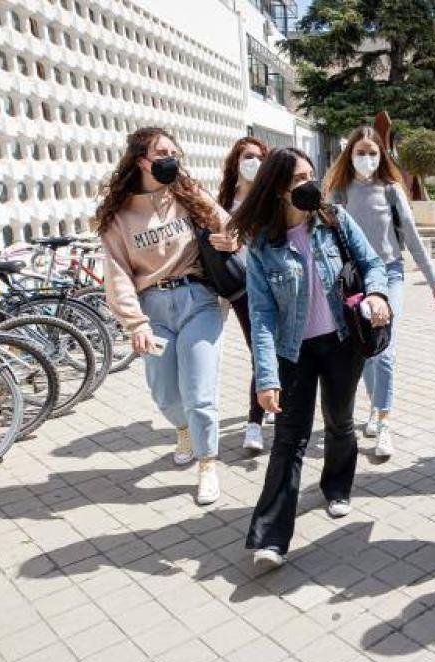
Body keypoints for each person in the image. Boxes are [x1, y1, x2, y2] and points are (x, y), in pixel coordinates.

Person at [231, 147, 392, 568]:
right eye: (297, 180)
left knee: (340, 422)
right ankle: (270, 537)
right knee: (289, 438)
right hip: (292, 352)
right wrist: (266, 377)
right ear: (277, 190)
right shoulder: (264, 246)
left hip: (342, 342)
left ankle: (336, 485)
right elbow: (262, 316)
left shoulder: (334, 220)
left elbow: (372, 262)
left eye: (310, 175)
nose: (309, 185)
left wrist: (376, 293)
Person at [95, 127, 236, 506]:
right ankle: (183, 429)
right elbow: (118, 273)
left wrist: (230, 239)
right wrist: (135, 323)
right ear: (142, 161)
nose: (171, 159)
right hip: (152, 308)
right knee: (164, 391)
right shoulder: (119, 216)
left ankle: (207, 462)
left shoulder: (189, 195)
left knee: (200, 391)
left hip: (199, 299)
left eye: (175, 152)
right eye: (162, 153)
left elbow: (230, 227)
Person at [324, 126, 435, 458]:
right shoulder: (339, 191)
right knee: (365, 350)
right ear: (349, 154)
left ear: (382, 155)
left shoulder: (391, 190)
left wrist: (434, 281)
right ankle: (375, 409)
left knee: (385, 349)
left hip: (390, 274)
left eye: (372, 153)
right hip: (355, 280)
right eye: (360, 152)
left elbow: (412, 236)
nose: (366, 159)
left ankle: (385, 420)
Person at [217, 136, 272, 453]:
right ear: (236, 163)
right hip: (243, 288)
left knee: (277, 350)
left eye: (260, 157)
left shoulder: (271, 199)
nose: (255, 163)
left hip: (275, 285)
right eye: (249, 157)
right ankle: (255, 422)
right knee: (260, 350)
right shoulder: (224, 204)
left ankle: (272, 401)